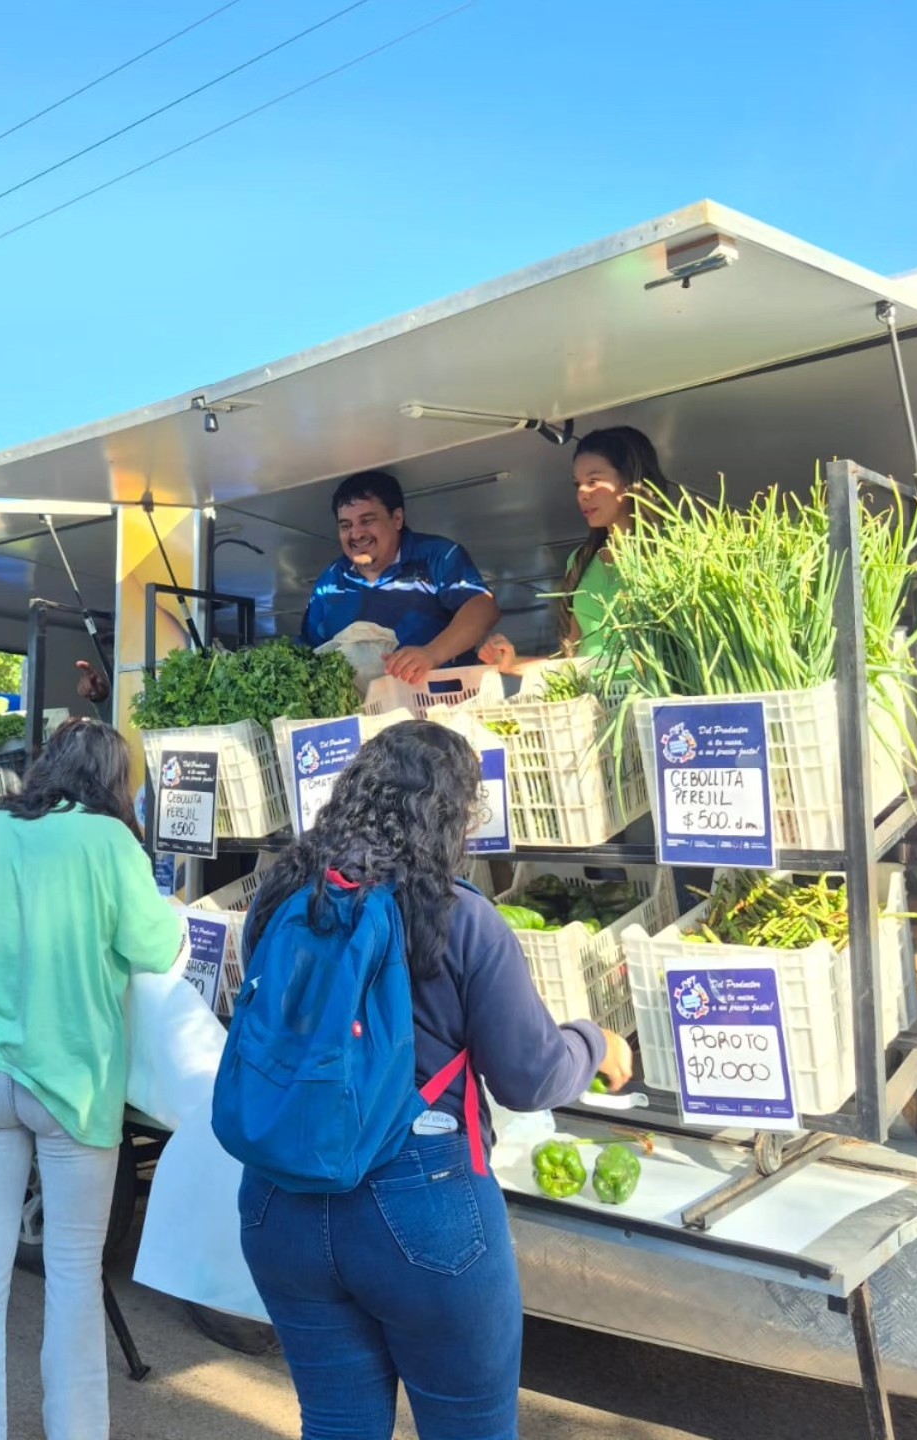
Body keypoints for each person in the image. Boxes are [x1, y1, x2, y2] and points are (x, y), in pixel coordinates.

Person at [233, 721, 633, 1440]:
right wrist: (594, 1041)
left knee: (335, 1424)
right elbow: (530, 1077)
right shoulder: (459, 918)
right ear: (452, 814)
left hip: (279, 1202)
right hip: (423, 1209)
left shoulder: (279, 898)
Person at [0, 719, 186, 1440]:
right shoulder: (111, 843)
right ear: (113, 780)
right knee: (74, 1274)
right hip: (74, 1082)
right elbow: (157, 947)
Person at [478, 426, 670, 674]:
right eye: (577, 484)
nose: (582, 493)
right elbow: (573, 661)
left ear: (629, 481)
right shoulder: (581, 560)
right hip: (593, 705)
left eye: (593, 481)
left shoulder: (672, 554)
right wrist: (511, 662)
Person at [300, 469, 499, 685]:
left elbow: (482, 607)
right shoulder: (329, 583)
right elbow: (308, 651)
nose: (356, 534)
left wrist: (431, 654)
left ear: (396, 519)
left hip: (442, 709)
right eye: (345, 525)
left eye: (367, 521)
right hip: (366, 714)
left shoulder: (437, 556)